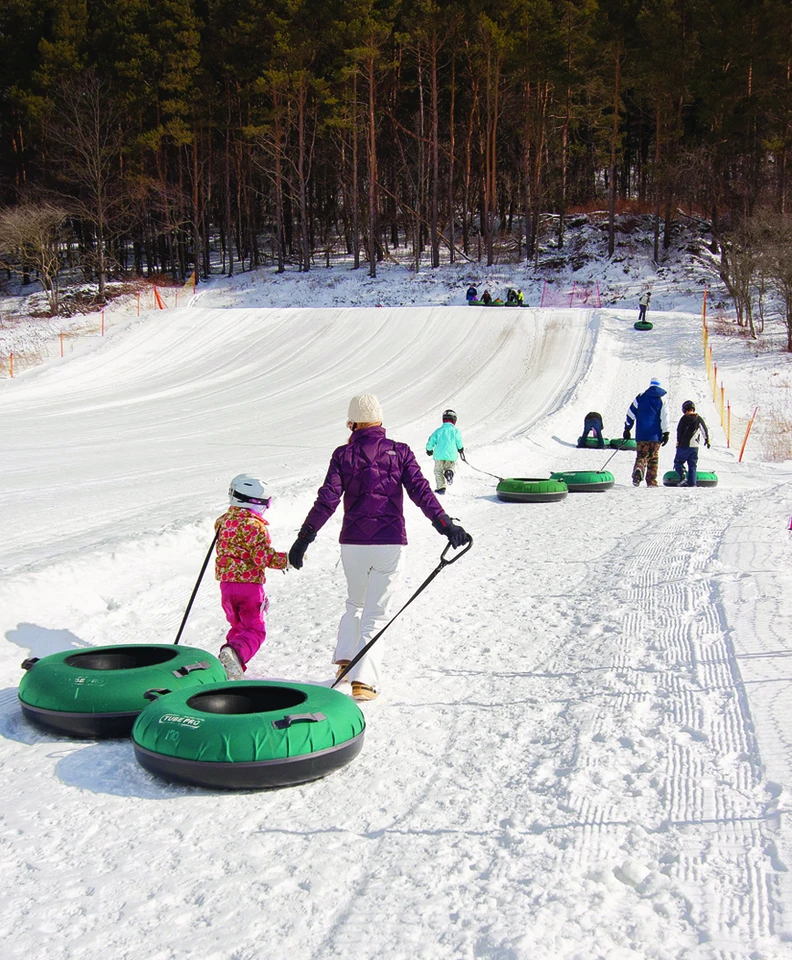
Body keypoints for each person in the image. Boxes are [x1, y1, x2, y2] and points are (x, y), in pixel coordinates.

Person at [288, 394, 469, 701]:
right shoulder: (399, 452)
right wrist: (445, 525)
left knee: (354, 603)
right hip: (389, 543)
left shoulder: (343, 455)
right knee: (376, 612)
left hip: (353, 544)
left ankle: (346, 660)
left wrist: (304, 537)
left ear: (353, 423)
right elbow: (421, 492)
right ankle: (364, 680)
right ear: (380, 422)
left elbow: (327, 499)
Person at [215, 474, 288, 679]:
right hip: (248, 587)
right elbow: (261, 556)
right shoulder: (255, 526)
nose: (266, 508)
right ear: (253, 502)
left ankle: (226, 661)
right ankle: (235, 654)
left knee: (238, 625)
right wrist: (286, 560)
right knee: (255, 629)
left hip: (226, 586)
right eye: (265, 504)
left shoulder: (223, 522)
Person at [623, 377, 669, 487]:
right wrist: (666, 432)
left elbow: (631, 413)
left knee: (642, 455)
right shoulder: (662, 399)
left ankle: (639, 468)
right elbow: (665, 417)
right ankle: (652, 481)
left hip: (641, 434)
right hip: (655, 436)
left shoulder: (640, 397)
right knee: (653, 458)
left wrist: (627, 428)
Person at [426, 409, 466, 494]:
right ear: (454, 420)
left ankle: (441, 488)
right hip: (451, 455)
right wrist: (460, 448)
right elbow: (459, 441)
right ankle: (449, 472)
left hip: (439, 455)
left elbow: (431, 440)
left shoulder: (438, 431)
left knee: (438, 471)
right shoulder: (455, 431)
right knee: (450, 466)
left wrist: (429, 449)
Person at [673, 400, 710, 487]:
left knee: (678, 462)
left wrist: (678, 443)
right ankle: (692, 484)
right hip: (695, 446)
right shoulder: (698, 418)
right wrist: (707, 440)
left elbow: (679, 431)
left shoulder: (683, 419)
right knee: (692, 465)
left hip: (684, 445)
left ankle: (683, 476)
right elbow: (704, 429)